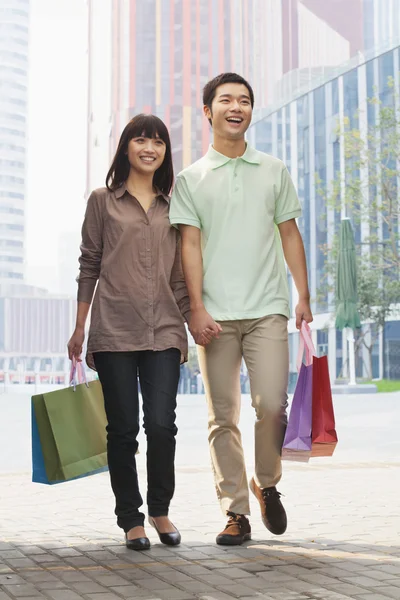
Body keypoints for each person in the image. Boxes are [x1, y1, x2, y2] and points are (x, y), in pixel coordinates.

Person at [170, 73, 313, 546]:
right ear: (207, 112)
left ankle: (266, 483)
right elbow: (189, 245)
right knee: (221, 416)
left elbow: (290, 234)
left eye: (245, 101)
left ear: (252, 111)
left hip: (268, 308)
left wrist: (303, 296)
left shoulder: (273, 170)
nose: (237, 107)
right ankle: (235, 511)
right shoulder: (191, 179)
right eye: (226, 100)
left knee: (272, 405)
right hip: (214, 316)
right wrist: (196, 308)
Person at [67, 114, 190, 551]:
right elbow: (89, 264)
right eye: (141, 139)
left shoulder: (176, 205)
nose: (150, 148)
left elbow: (181, 275)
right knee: (122, 431)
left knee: (161, 426)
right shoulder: (103, 201)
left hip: (165, 331)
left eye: (158, 142)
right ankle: (130, 519)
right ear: (126, 148)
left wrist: (194, 323)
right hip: (114, 328)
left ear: (165, 152)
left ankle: (160, 509)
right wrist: (80, 326)